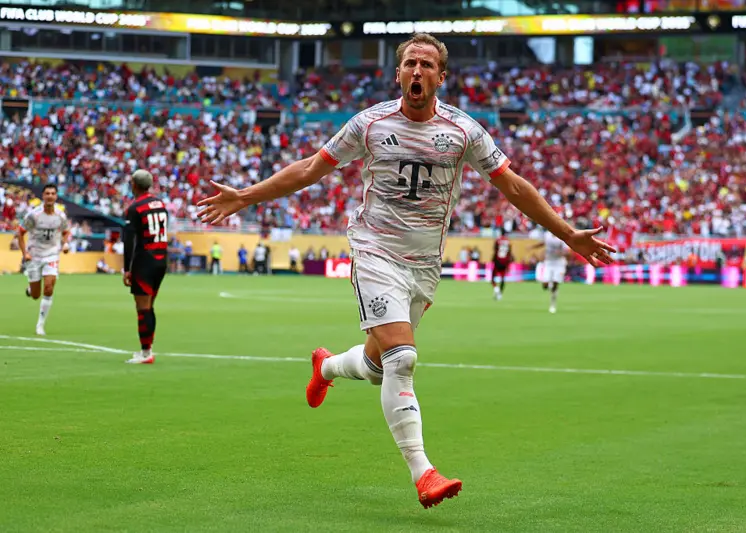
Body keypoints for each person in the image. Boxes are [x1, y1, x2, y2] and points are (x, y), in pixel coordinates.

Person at [197, 33, 615, 509]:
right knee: (402, 358)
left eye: (427, 65)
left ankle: (328, 365)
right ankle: (424, 472)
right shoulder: (369, 125)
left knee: (379, 366)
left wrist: (567, 233)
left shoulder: (464, 132)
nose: (417, 72)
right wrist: (246, 196)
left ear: (441, 76)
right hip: (375, 252)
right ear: (398, 74)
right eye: (410, 64)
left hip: (424, 265)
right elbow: (312, 169)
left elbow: (514, 187)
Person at [122, 169, 169, 364]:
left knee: (143, 308)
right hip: (161, 259)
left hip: (145, 260)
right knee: (149, 307)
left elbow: (129, 241)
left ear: (133, 184)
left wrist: (127, 268)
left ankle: (146, 352)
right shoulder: (161, 203)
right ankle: (147, 348)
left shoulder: (135, 208)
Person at [17, 184, 70, 336]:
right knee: (35, 295)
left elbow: (66, 231)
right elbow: (20, 233)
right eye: (47, 193)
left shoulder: (60, 215)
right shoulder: (34, 215)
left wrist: (65, 243)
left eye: (53, 193)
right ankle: (30, 289)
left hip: (52, 254)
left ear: (56, 196)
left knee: (49, 288)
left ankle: (40, 325)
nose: (50, 196)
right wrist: (24, 253)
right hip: (34, 255)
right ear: (43, 196)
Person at [538, 231, 571, 314]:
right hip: (549, 262)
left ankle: (553, 303)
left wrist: (561, 253)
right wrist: (532, 247)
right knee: (545, 285)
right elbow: (543, 243)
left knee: (556, 283)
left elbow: (567, 251)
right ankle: (550, 285)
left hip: (559, 263)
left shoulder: (562, 238)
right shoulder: (547, 235)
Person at [491, 228, 513, 300]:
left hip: (498, 260)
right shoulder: (508, 241)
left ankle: (496, 289)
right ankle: (500, 294)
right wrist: (508, 264)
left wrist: (493, 260)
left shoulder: (498, 240)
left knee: (493, 277)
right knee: (503, 278)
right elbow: (509, 253)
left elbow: (495, 250)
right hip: (505, 261)